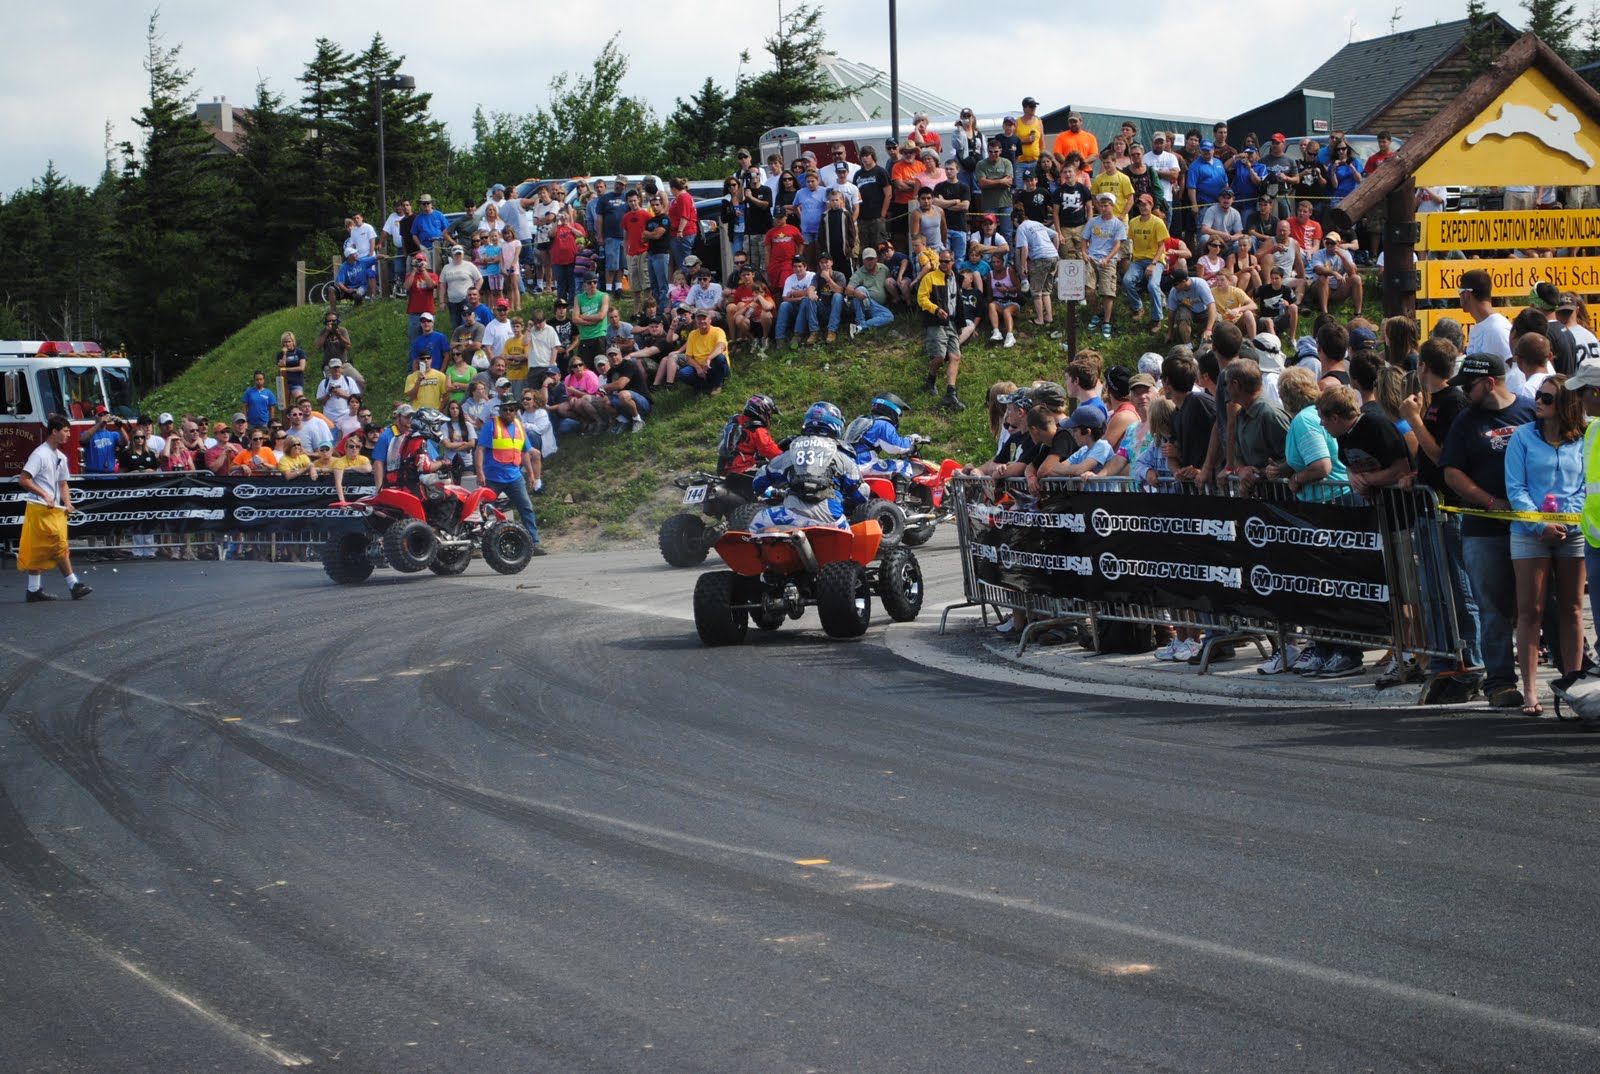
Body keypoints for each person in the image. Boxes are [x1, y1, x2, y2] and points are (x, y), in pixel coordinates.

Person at [1441, 353, 1538, 709]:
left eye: (1469, 385)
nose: (1465, 392)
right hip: (1485, 529)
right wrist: (1489, 502)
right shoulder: (1465, 422)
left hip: (1532, 528)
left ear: (1490, 382)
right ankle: (1500, 682)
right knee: (1492, 607)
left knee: (1545, 603)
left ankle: (1573, 672)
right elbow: (1451, 472)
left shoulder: (1529, 411)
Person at [1504, 374, 1587, 715]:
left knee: (1571, 610)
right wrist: (1540, 525)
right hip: (1529, 533)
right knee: (1531, 610)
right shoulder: (1522, 437)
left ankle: (1576, 686)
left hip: (1572, 531)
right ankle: (1529, 692)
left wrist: (1566, 519)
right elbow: (1515, 489)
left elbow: (1587, 485)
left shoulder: (1584, 439)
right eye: (1538, 396)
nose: (1539, 401)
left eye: (1548, 398)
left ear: (1566, 405)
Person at [748, 402, 869, 533]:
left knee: (755, 523)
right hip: (832, 521)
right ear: (836, 425)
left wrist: (761, 491)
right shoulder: (842, 455)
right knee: (852, 540)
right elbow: (862, 495)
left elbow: (760, 480)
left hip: (791, 516)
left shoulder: (791, 452)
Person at [17, 415, 90, 602]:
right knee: (59, 545)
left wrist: (67, 502)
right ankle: (74, 585)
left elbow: (63, 483)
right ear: (54, 432)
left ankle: (33, 589)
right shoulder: (39, 454)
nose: (68, 434)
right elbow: (24, 479)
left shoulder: (61, 457)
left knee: (41, 548)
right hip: (40, 508)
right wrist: (44, 495)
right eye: (65, 431)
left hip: (54, 510)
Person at [474, 395, 545, 554]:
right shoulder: (491, 425)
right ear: (500, 410)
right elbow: (480, 449)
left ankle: (534, 543)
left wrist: (531, 475)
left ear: (515, 411)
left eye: (511, 409)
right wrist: (480, 473)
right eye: (504, 409)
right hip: (492, 477)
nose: (507, 412)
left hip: (514, 476)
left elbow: (524, 452)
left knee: (526, 508)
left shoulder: (519, 426)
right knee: (482, 510)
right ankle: (476, 544)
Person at [917, 249, 967, 411]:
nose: (944, 264)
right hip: (936, 322)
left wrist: (960, 324)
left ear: (953, 262)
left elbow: (958, 301)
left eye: (947, 261)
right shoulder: (930, 277)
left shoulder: (956, 278)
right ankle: (930, 380)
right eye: (941, 261)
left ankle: (950, 394)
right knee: (939, 357)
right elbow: (921, 298)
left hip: (952, 322)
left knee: (955, 356)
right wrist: (936, 309)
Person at [330, 427, 373, 501]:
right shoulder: (339, 462)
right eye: (351, 446)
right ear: (345, 448)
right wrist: (342, 500)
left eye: (357, 446)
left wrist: (352, 468)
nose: (354, 448)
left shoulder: (364, 459)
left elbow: (368, 469)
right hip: (345, 491)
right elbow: (338, 483)